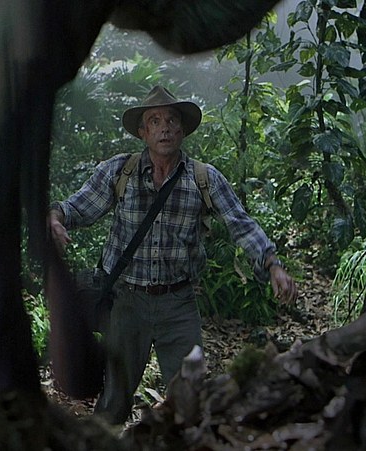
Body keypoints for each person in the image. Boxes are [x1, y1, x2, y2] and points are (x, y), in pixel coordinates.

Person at [47, 85, 297, 425]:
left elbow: (240, 223)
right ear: (143, 132)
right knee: (114, 401)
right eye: (155, 121)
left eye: (171, 121)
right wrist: (55, 218)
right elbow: (77, 207)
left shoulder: (204, 179)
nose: (164, 128)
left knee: (190, 399)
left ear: (182, 130)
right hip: (127, 302)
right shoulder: (120, 171)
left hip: (178, 303)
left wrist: (272, 264)